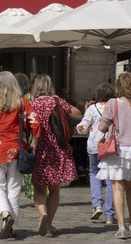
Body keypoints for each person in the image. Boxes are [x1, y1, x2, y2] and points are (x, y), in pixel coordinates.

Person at [96, 71, 131, 240]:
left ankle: (121, 227)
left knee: (117, 187)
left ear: (118, 87)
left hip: (118, 151)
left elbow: (101, 128)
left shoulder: (112, 104)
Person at [0, 71, 40, 240]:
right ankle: (10, 224)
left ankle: (5, 215)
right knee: (14, 188)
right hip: (17, 149)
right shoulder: (22, 103)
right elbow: (35, 122)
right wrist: (34, 141)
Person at [27, 74, 80, 238]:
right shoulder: (56, 102)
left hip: (38, 150)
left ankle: (42, 212)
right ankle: (48, 223)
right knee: (55, 189)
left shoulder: (31, 104)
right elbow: (78, 115)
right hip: (57, 150)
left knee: (39, 187)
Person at [79, 83, 118, 226]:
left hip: (94, 146)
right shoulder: (114, 107)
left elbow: (82, 128)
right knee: (109, 179)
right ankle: (110, 215)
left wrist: (85, 114)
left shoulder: (92, 108)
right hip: (109, 146)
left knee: (94, 173)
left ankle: (97, 206)